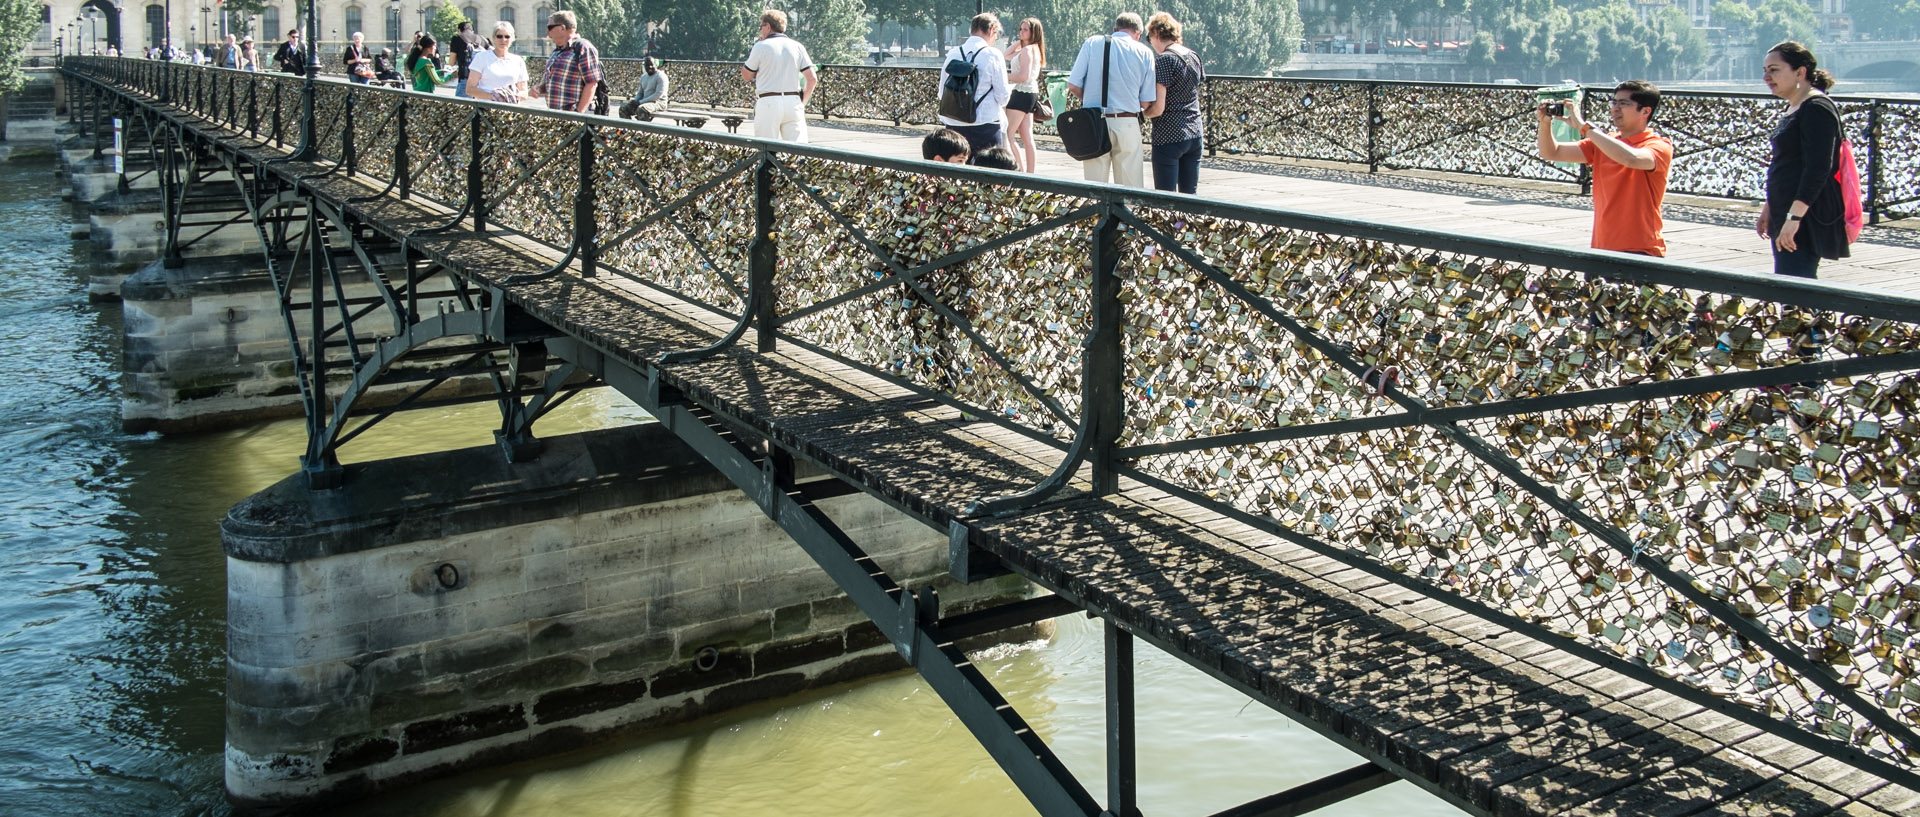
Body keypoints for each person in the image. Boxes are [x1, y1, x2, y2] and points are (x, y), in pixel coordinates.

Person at [1536, 80, 1672, 256]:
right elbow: (1552, 152)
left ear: (1645, 111)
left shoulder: (1659, 146)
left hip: (1641, 248)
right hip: (1602, 246)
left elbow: (1632, 159)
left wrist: (1585, 127)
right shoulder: (1604, 141)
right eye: (1614, 102)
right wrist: (1545, 123)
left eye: (1623, 104)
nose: (1615, 108)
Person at [1759, 41, 1849, 279]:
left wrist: (1794, 218)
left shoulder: (1817, 107)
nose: (1767, 76)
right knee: (1791, 284)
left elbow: (1819, 168)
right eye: (1765, 70)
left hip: (1804, 216)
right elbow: (1787, 162)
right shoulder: (1795, 106)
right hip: (1785, 210)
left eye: (1774, 69)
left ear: (1800, 72)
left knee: (1797, 287)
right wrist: (1770, 207)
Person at [1066, 13, 1156, 187]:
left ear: (1115, 29)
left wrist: (1093, 99)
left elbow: (1073, 85)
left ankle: (1097, 214)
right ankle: (1125, 214)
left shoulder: (1092, 43)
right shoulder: (1145, 52)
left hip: (1094, 121)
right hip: (1127, 122)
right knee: (1130, 187)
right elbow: (1145, 102)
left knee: (1095, 185)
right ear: (1138, 34)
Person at [935, 13, 1010, 164]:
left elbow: (942, 93)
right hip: (985, 124)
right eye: (996, 34)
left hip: (954, 124)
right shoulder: (993, 55)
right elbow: (1003, 97)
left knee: (957, 176)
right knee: (989, 176)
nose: (995, 39)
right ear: (991, 29)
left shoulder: (953, 54)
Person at [1143, 12, 1204, 194]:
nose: (1151, 43)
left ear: (1156, 33)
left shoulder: (1164, 60)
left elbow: (1158, 108)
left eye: (1149, 37)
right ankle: (1187, 223)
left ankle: (1168, 224)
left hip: (1169, 135)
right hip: (1195, 132)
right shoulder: (1194, 56)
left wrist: (1139, 114)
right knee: (1189, 196)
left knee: (1165, 197)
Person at [741, 9, 816, 143]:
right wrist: (802, 103)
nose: (760, 30)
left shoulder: (761, 46)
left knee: (766, 149)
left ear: (768, 26)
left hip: (768, 101)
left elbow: (746, 76)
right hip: (793, 101)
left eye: (761, 27)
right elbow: (812, 78)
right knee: (797, 152)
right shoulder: (797, 46)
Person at [531, 10, 602, 113]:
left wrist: (578, 113)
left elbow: (592, 83)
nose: (547, 32)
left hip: (576, 116)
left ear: (562, 28)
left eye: (550, 27)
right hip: (558, 115)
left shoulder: (583, 48)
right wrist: (540, 89)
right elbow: (552, 83)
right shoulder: (557, 51)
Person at [1002, 18, 1046, 173]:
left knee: (1008, 133)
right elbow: (1006, 54)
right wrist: (1020, 41)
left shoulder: (1028, 50)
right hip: (1030, 93)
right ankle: (1031, 173)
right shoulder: (1033, 49)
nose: (1021, 32)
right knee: (1027, 136)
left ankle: (1020, 170)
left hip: (1021, 92)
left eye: (1025, 30)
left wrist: (1005, 75)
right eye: (1020, 29)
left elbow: (1023, 76)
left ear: (1034, 32)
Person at [467, 22, 530, 103]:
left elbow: (524, 93)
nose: (503, 40)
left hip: (510, 111)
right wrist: (494, 96)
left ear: (512, 39)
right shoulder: (481, 57)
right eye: (499, 36)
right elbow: (470, 89)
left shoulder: (518, 61)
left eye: (507, 36)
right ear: (494, 38)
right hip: (486, 110)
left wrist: (509, 97)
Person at [450, 21, 483, 97]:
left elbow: (451, 62)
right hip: (481, 81)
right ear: (472, 31)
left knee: (462, 107)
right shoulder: (479, 38)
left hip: (465, 79)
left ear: (459, 30)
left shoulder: (457, 38)